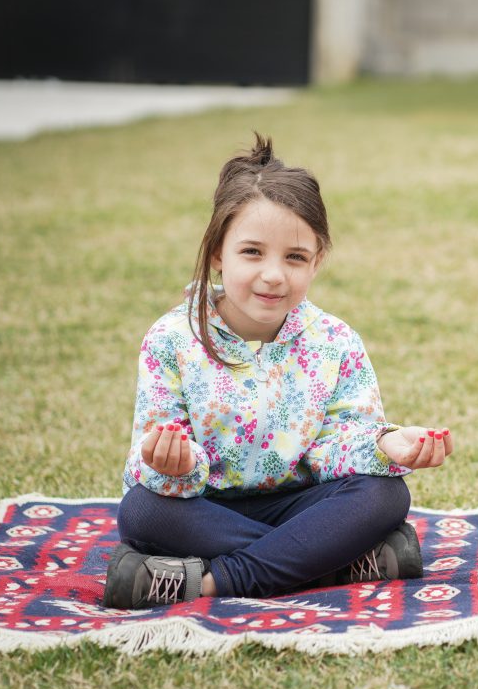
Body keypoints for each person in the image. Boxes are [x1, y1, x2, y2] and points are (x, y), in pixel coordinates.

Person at [104, 134, 454, 609]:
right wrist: (176, 464)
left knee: (385, 495)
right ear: (216, 254)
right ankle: (338, 562)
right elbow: (151, 464)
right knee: (143, 512)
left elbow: (337, 447)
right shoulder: (170, 340)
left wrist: (383, 444)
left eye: (295, 257)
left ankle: (209, 582)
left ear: (317, 262)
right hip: (204, 509)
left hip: (300, 504)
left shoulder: (335, 342)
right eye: (252, 252)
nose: (273, 274)